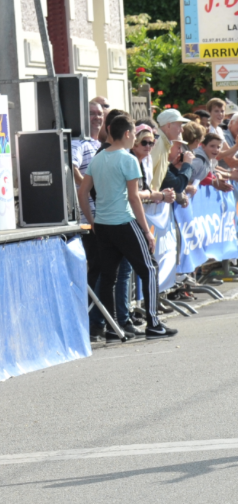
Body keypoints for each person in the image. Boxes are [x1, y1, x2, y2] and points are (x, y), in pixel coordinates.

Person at [76, 115, 177, 340]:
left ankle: (112, 327)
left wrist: (92, 220)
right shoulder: (128, 159)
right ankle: (153, 323)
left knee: (108, 276)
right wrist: (146, 230)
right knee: (149, 269)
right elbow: (134, 198)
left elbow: (82, 192)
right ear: (129, 134)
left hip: (102, 224)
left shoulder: (98, 158)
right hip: (124, 221)